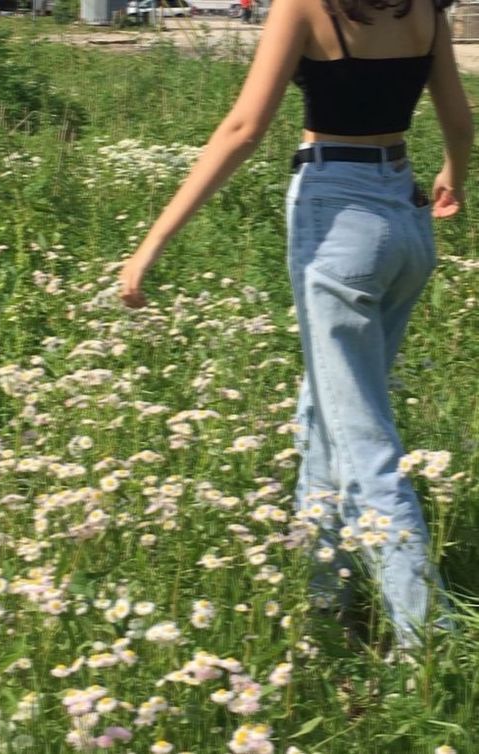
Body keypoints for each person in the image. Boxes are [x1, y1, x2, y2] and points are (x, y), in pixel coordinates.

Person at [118, 0, 473, 649]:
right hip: (405, 222)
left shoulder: (303, 6)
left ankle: (428, 641)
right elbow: (456, 115)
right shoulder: (422, 7)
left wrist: (151, 243)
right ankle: (323, 599)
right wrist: (455, 170)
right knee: (322, 413)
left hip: (337, 219)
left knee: (363, 440)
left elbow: (242, 128)